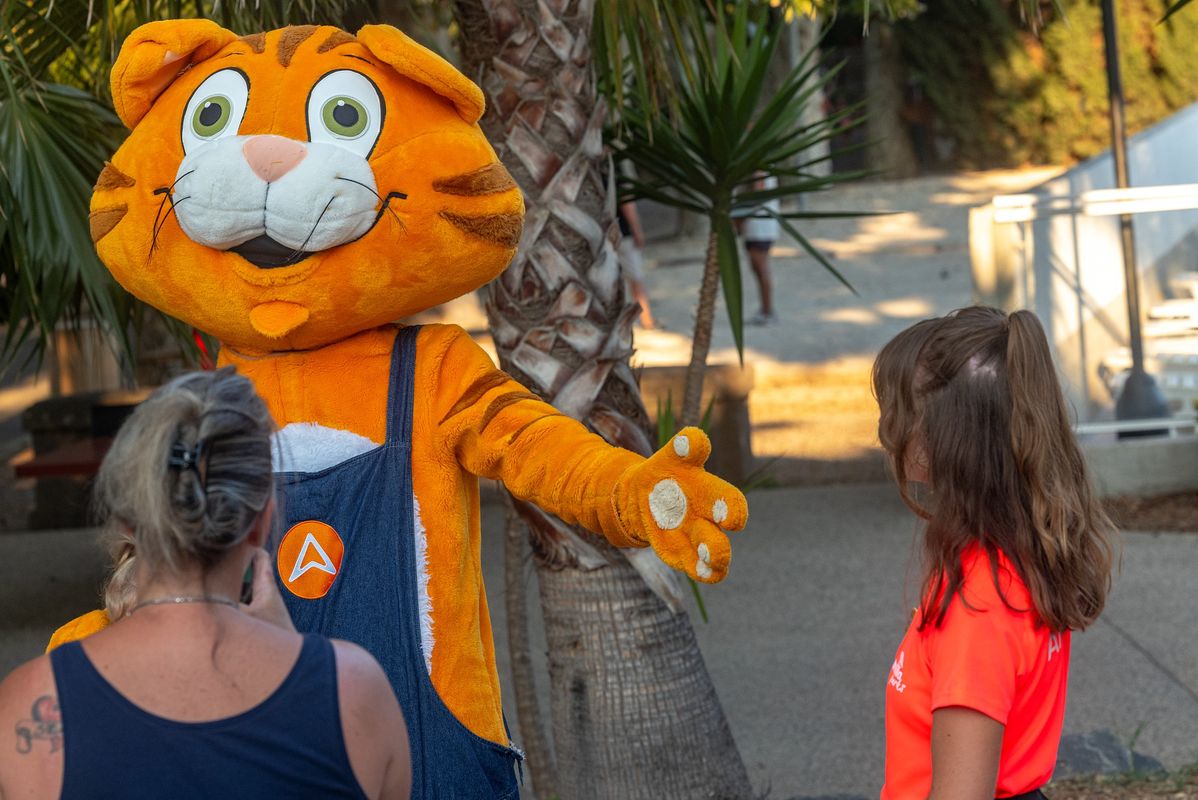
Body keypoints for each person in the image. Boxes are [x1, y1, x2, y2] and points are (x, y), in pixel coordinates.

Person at [0, 369, 410, 800]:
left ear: (125, 521)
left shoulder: (32, 706)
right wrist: (295, 650)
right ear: (262, 522)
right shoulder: (355, 693)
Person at [873, 306, 1114, 800]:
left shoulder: (980, 605)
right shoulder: (1015, 559)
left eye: (898, 411)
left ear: (948, 438)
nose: (886, 430)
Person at [742, 173, 779, 326]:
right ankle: (765, 309)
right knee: (757, 268)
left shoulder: (759, 171)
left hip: (760, 227)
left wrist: (737, 216)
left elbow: (757, 194)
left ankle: (768, 311)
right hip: (754, 227)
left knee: (761, 268)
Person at [618, 199, 656, 329]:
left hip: (604, 237)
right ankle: (647, 320)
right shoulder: (619, 180)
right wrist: (637, 231)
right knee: (636, 280)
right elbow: (627, 204)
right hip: (623, 236)